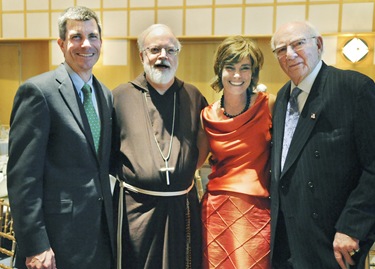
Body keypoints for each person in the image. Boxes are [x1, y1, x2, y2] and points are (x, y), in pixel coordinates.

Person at [7, 6, 115, 269]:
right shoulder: (38, 92)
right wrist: (36, 244)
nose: (86, 44)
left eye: (92, 36)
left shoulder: (105, 94)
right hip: (55, 242)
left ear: (101, 42)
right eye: (76, 37)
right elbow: (23, 178)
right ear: (61, 43)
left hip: (100, 237)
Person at [270, 20, 375, 269]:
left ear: (318, 44)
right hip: (287, 239)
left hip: (334, 239)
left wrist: (352, 227)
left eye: (298, 44)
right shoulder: (282, 98)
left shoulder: (353, 88)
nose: (290, 54)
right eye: (281, 49)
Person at [111, 24, 208, 269]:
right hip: (135, 209)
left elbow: (203, 143)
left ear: (177, 55)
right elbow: (106, 153)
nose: (163, 56)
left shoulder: (193, 96)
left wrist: (181, 173)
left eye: (170, 50)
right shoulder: (119, 97)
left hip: (181, 206)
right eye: (155, 50)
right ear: (142, 55)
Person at [200, 36, 275, 269]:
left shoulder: (269, 104)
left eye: (245, 68)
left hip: (257, 210)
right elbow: (194, 162)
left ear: (253, 73)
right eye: (230, 68)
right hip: (216, 210)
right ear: (219, 70)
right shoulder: (207, 115)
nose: (237, 75)